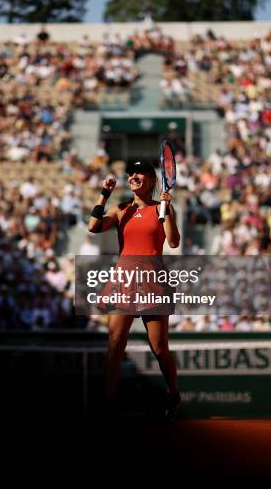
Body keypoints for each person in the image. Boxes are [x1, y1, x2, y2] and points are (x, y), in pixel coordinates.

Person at [87, 159, 181, 419]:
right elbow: (92, 226)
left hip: (153, 277)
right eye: (131, 174)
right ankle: (109, 401)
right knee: (115, 343)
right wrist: (104, 194)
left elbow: (173, 241)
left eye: (139, 173)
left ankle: (173, 394)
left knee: (159, 346)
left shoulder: (160, 209)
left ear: (151, 179)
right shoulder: (121, 210)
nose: (133, 177)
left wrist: (168, 209)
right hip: (124, 278)